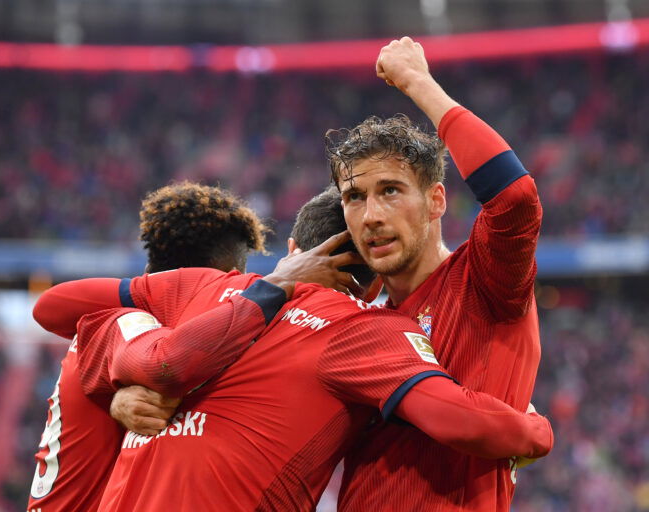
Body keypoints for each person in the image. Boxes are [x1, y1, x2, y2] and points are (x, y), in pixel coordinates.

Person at [34, 191, 551, 511]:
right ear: (371, 283)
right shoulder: (366, 328)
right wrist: (534, 430)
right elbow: (458, 421)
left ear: (290, 250)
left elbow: (55, 306)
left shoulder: (199, 287)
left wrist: (122, 379)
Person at [277, 37, 544, 511]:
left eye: (391, 190)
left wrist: (419, 83)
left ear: (436, 201)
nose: (371, 215)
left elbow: (516, 198)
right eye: (354, 198)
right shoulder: (358, 325)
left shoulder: (485, 278)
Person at [27, 182, 269, 512]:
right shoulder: (126, 325)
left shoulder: (164, 340)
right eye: (236, 277)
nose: (237, 289)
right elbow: (47, 306)